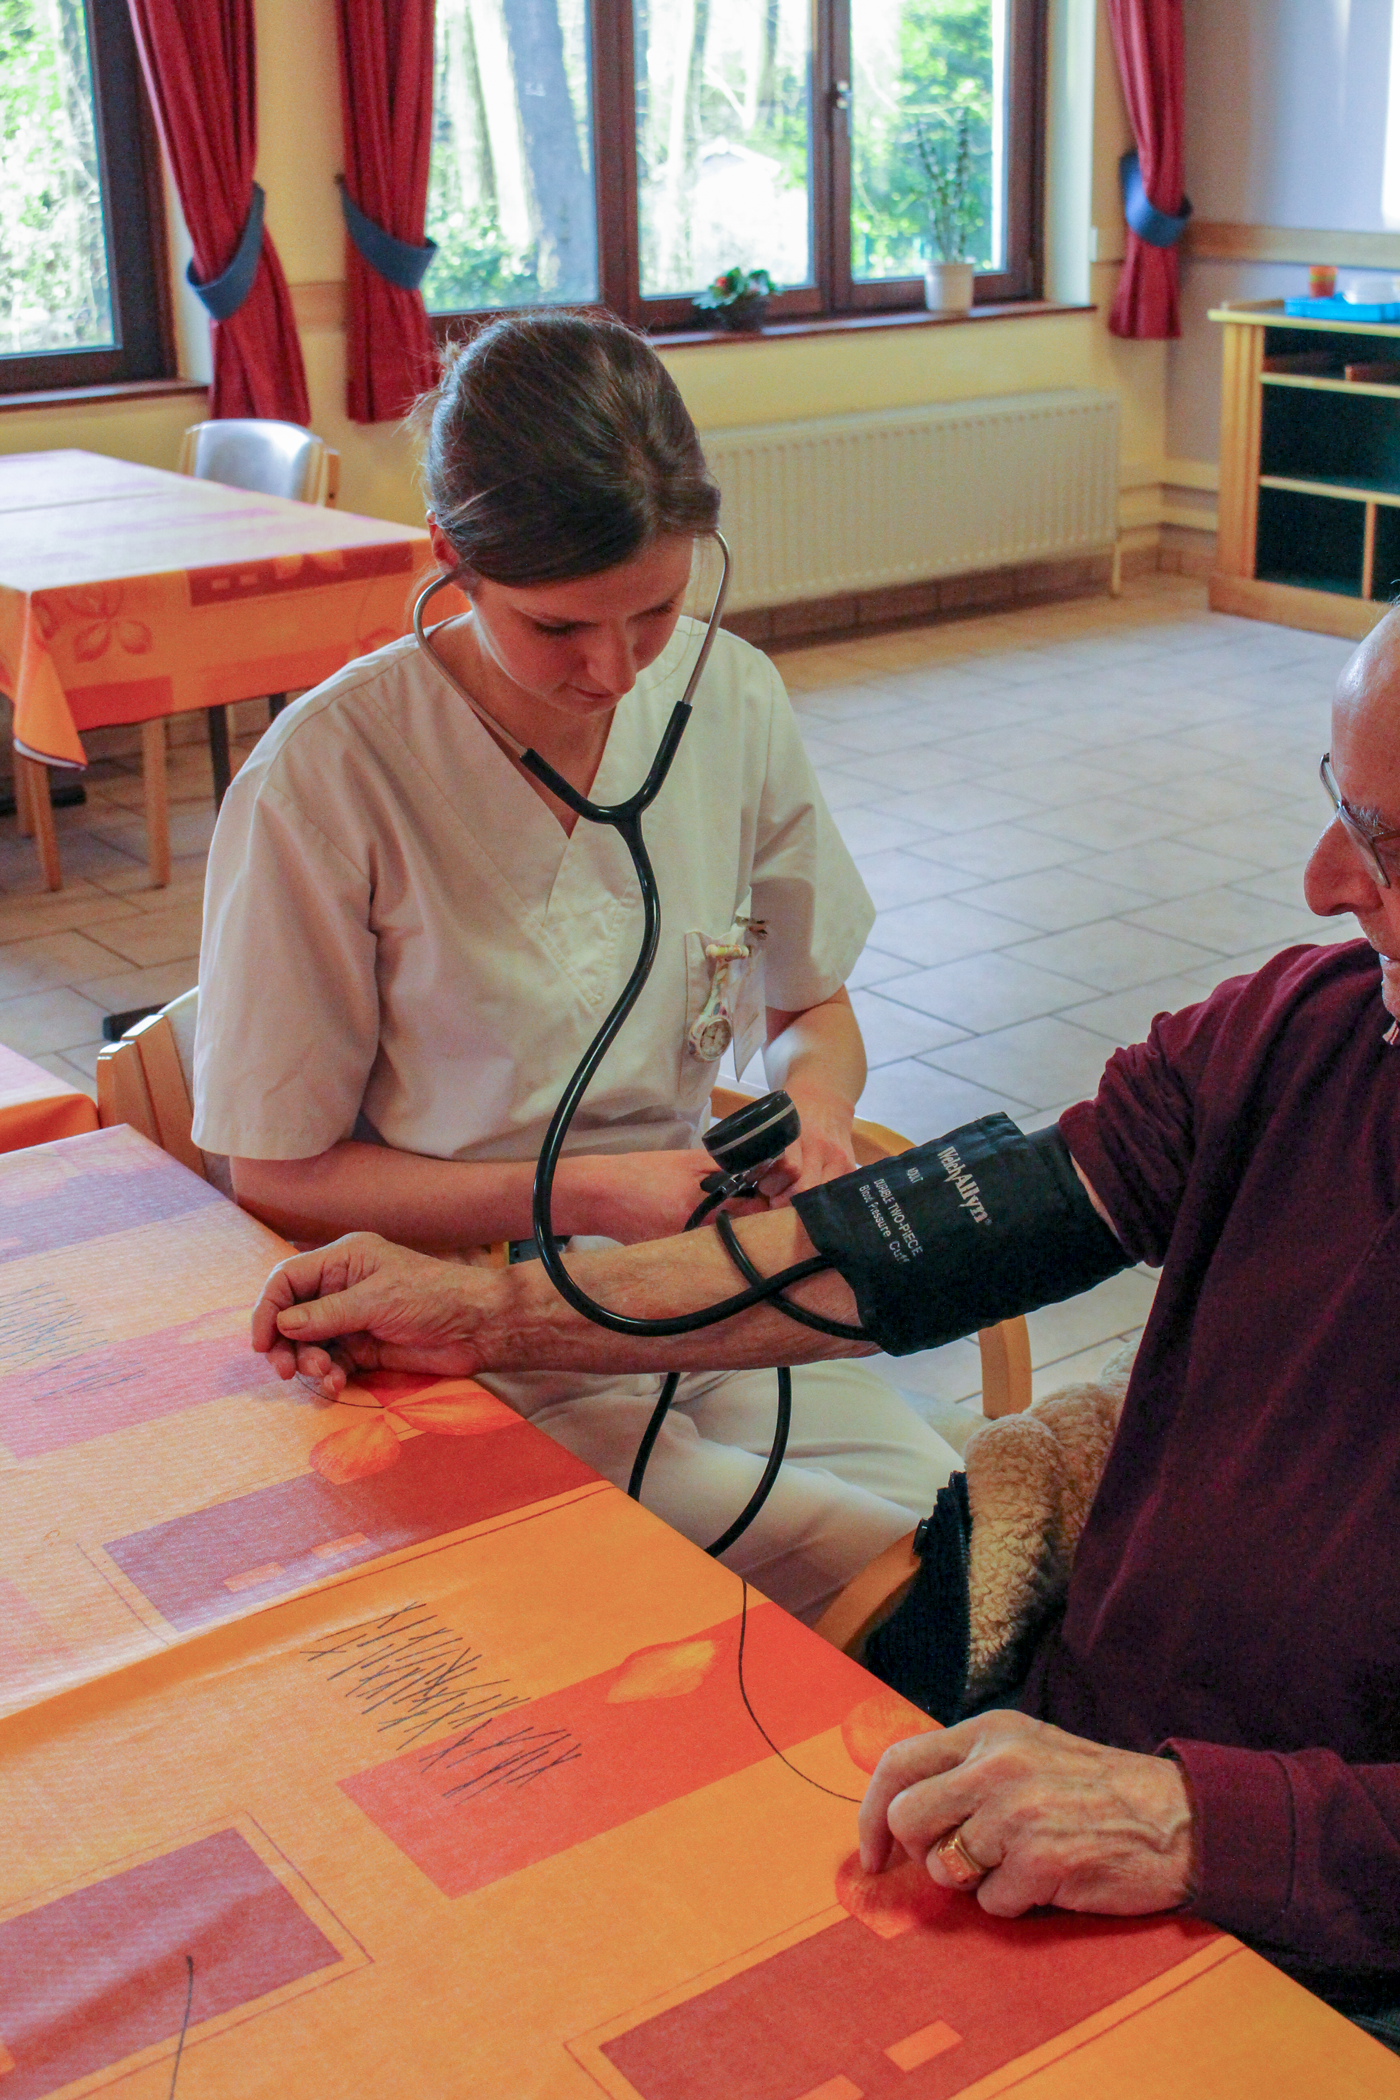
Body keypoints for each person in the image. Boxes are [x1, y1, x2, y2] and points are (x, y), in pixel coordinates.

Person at [248, 605, 1400, 2041]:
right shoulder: (1303, 1031)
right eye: (1338, 805)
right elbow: (883, 1254)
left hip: (1314, 1938)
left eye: (1392, 845)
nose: (1322, 882)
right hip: (1071, 1754)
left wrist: (1195, 1822)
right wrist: (491, 1309)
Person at [193, 311, 963, 1624]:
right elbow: (273, 1167)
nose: (613, 671)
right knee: (869, 1581)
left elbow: (812, 1001)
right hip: (458, 1319)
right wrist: (603, 1194)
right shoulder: (329, 780)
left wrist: (819, 1111)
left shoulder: (730, 701)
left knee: (959, 1526)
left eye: (655, 610)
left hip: (696, 1283)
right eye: (557, 630)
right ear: (453, 561)